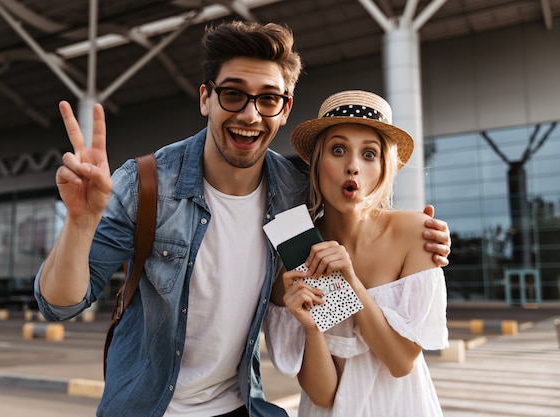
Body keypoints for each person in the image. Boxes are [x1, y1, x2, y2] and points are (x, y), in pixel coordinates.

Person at [34, 21, 451, 417]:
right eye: (233, 94)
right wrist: (80, 223)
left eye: (268, 98)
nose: (250, 115)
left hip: (239, 407)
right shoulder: (146, 185)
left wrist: (424, 235)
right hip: (148, 407)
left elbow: (351, 239)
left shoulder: (294, 201)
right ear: (205, 98)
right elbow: (60, 304)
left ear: (285, 108)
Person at [264, 90, 449, 417]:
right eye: (338, 150)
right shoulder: (297, 243)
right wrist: (309, 326)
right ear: (317, 161)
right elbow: (323, 395)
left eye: (369, 154)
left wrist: (350, 280)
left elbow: (400, 362)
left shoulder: (414, 233)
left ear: (384, 167)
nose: (353, 167)